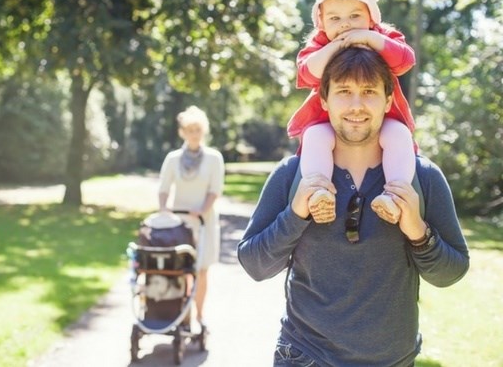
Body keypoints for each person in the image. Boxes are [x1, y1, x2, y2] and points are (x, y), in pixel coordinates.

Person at [238, 48, 469, 366]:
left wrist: (418, 231)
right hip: (305, 355)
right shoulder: (292, 174)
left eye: (369, 92)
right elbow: (255, 265)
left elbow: (451, 273)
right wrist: (294, 215)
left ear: (388, 101)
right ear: (324, 99)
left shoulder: (422, 177)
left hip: (392, 359)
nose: (356, 106)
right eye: (344, 92)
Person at [287, 0, 417, 225]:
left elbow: (406, 60)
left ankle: (394, 197)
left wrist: (370, 38)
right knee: (315, 137)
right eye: (334, 18)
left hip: (381, 116)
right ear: (321, 21)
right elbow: (306, 73)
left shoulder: (381, 37)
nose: (345, 25)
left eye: (355, 16)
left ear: (371, 17)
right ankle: (319, 193)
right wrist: (337, 46)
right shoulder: (320, 45)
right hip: (329, 118)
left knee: (399, 136)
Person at [158, 105, 225, 329]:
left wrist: (202, 208)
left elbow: (215, 190)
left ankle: (199, 314)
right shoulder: (173, 158)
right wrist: (163, 208)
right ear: (183, 132)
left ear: (203, 131)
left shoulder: (214, 158)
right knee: (182, 270)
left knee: (201, 270)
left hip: (204, 221)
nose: (193, 134)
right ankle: (182, 314)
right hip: (179, 224)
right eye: (189, 130)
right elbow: (164, 188)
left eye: (197, 129)